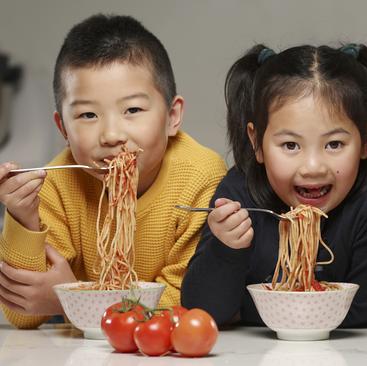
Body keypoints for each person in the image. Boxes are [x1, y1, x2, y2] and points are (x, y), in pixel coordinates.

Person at [0, 14, 227, 329]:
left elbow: (185, 300)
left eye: (132, 110)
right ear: (62, 127)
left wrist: (74, 298)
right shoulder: (55, 182)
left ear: (172, 116)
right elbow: (21, 313)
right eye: (88, 114)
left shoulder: (200, 175)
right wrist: (22, 214)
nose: (110, 134)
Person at [181, 43, 367, 326]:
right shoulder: (239, 193)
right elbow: (202, 310)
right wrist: (225, 249)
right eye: (291, 145)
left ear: (366, 139)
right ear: (256, 142)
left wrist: (245, 310)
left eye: (334, 144)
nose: (312, 167)